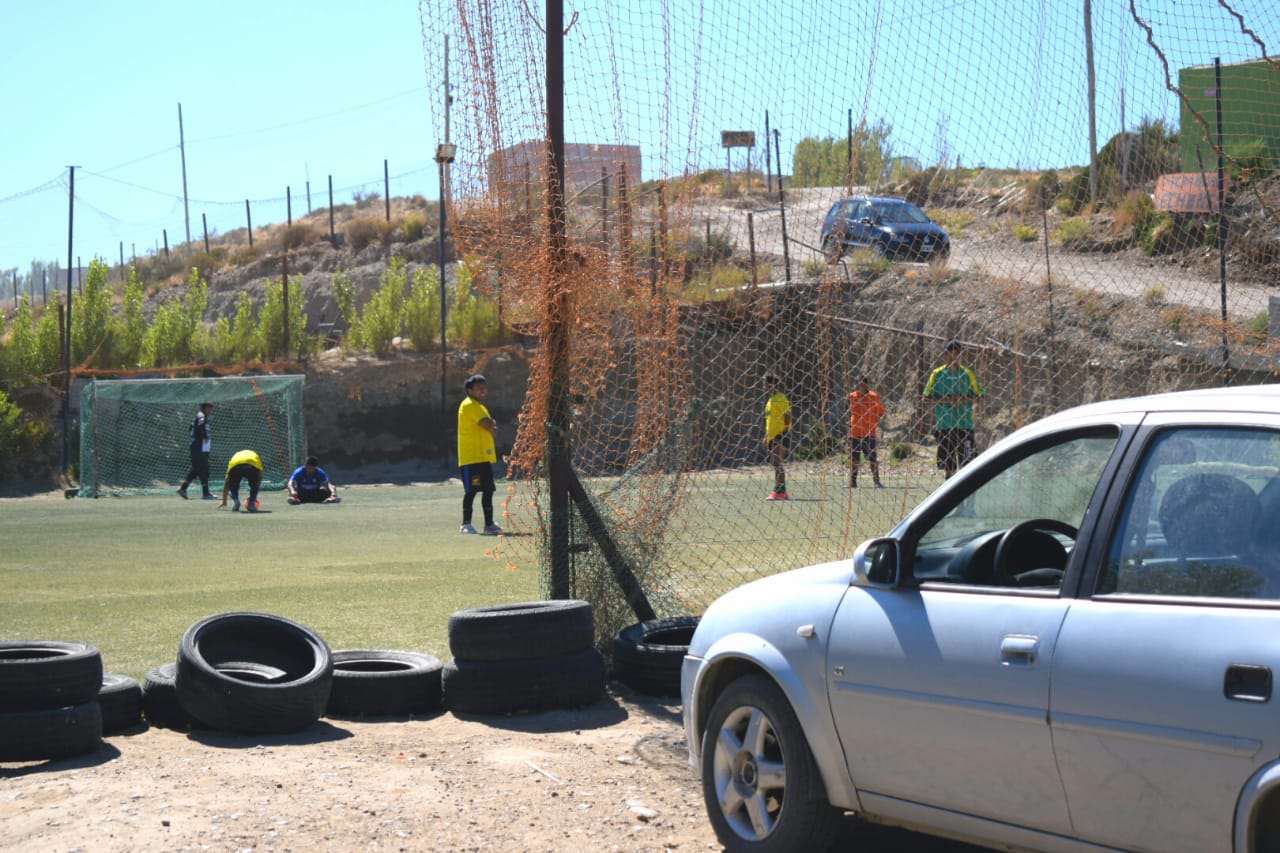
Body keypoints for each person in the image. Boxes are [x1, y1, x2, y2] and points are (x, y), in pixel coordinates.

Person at [923, 340, 983, 479]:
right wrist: (947, 400)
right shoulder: (937, 374)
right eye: (951, 353)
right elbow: (926, 398)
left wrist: (962, 400)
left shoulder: (968, 374)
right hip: (945, 426)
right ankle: (951, 494)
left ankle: (967, 492)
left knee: (968, 465)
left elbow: (981, 397)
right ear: (945, 355)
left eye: (957, 353)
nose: (953, 356)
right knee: (949, 468)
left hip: (965, 426)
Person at [458, 374, 501, 535]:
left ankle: (489, 524)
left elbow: (491, 428)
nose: (483, 390)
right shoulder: (469, 405)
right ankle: (465, 524)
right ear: (470, 390)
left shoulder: (481, 407)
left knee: (488, 490)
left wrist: (491, 426)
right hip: (471, 457)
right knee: (472, 490)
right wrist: (492, 424)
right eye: (478, 387)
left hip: (484, 457)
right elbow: (488, 424)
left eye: (484, 387)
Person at [848, 376, 886, 488]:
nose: (858, 386)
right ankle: (853, 482)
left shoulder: (873, 397)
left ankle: (877, 481)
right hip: (855, 433)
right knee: (854, 459)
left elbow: (880, 412)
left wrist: (872, 420)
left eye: (860, 384)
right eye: (857, 384)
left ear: (866, 385)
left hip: (869, 433)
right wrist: (850, 422)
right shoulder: (852, 396)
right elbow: (848, 411)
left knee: (872, 458)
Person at [763, 373, 792, 500]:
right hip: (773, 436)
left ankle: (779, 491)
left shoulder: (781, 398)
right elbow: (769, 421)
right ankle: (781, 491)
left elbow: (787, 415)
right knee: (776, 463)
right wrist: (767, 436)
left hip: (781, 434)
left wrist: (785, 430)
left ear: (771, 384)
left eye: (765, 384)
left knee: (777, 461)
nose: (763, 387)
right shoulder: (769, 401)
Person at [178, 402, 215, 500]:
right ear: (204, 408)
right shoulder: (201, 416)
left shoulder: (200, 416)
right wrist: (204, 436)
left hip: (200, 447)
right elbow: (201, 426)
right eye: (209, 408)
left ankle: (183, 489)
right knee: (204, 469)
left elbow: (191, 429)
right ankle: (206, 493)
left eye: (211, 408)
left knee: (196, 469)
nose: (210, 410)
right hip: (199, 447)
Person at [219, 449, 263, 513]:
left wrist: (224, 501)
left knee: (233, 487)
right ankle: (251, 503)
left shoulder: (234, 457)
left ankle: (236, 501)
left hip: (235, 465)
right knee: (255, 485)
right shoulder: (256, 456)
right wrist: (257, 485)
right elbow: (260, 473)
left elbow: (227, 482)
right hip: (251, 465)